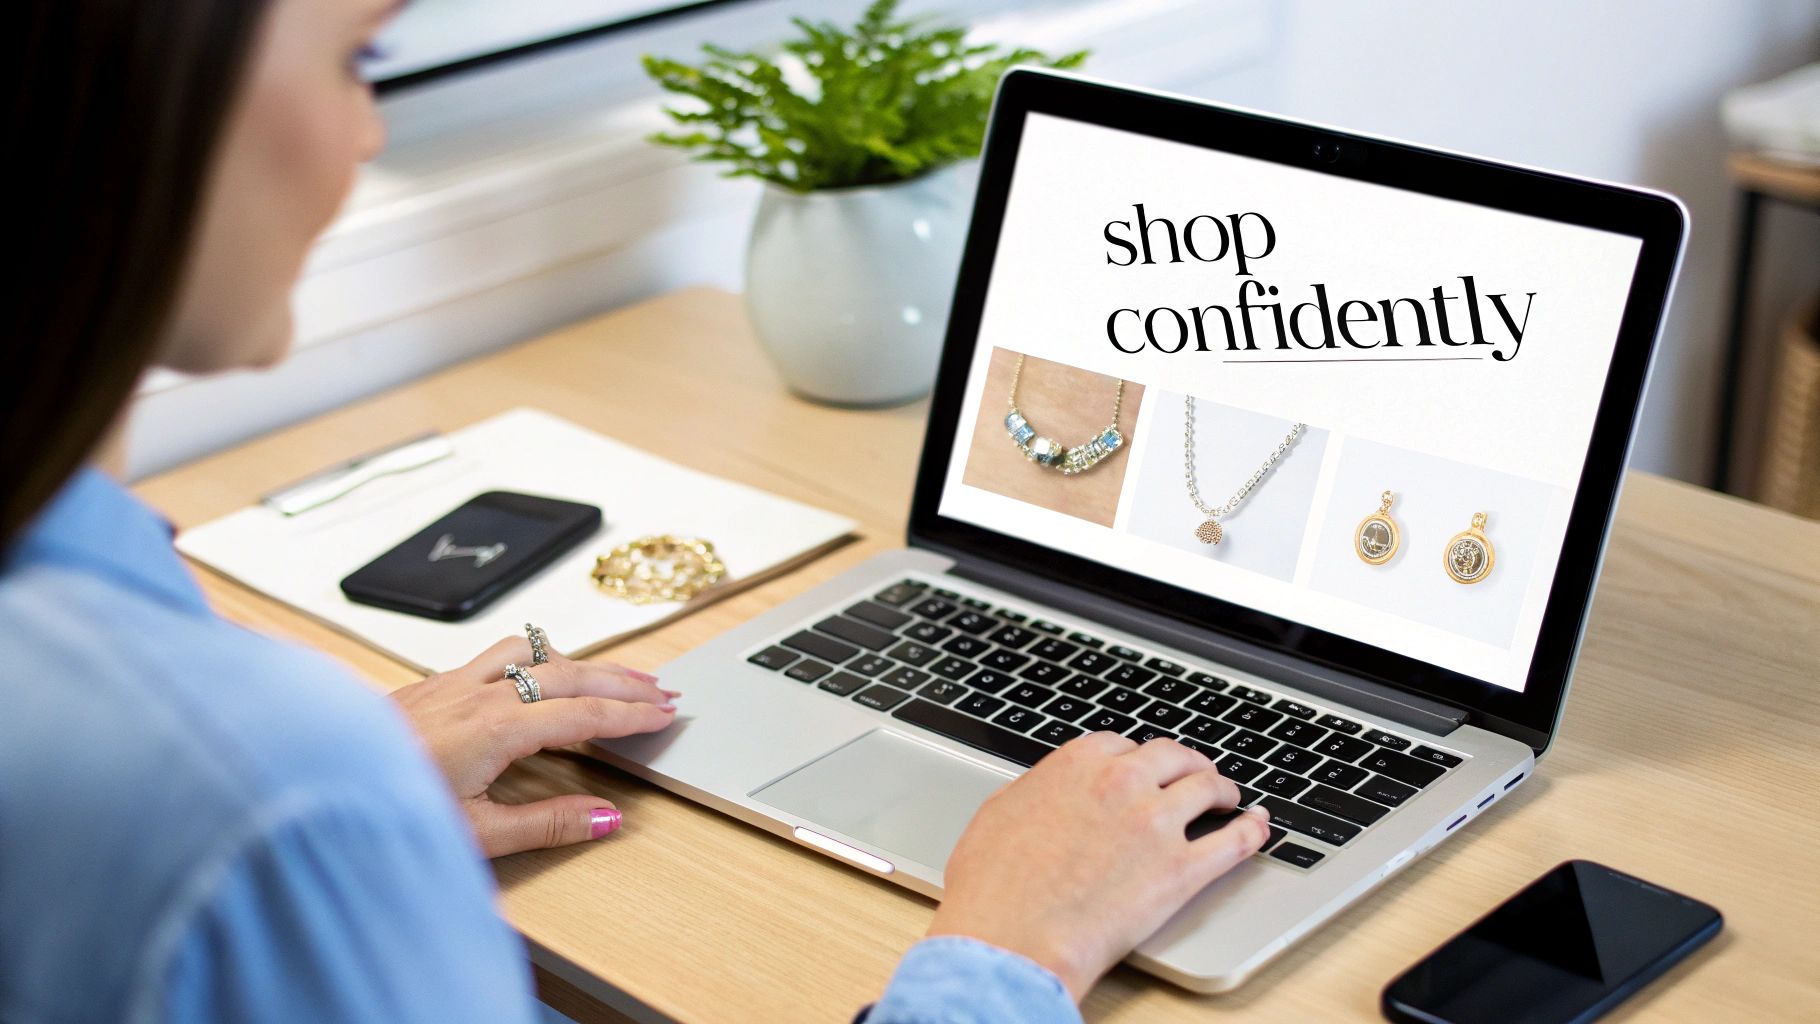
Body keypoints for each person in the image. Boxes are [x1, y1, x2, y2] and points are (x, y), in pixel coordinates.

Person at [0, 2, 1272, 1021]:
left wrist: (344, 806)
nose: (370, 130)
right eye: (355, 56)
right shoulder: (263, 785)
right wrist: (1015, 948)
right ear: (134, 90)